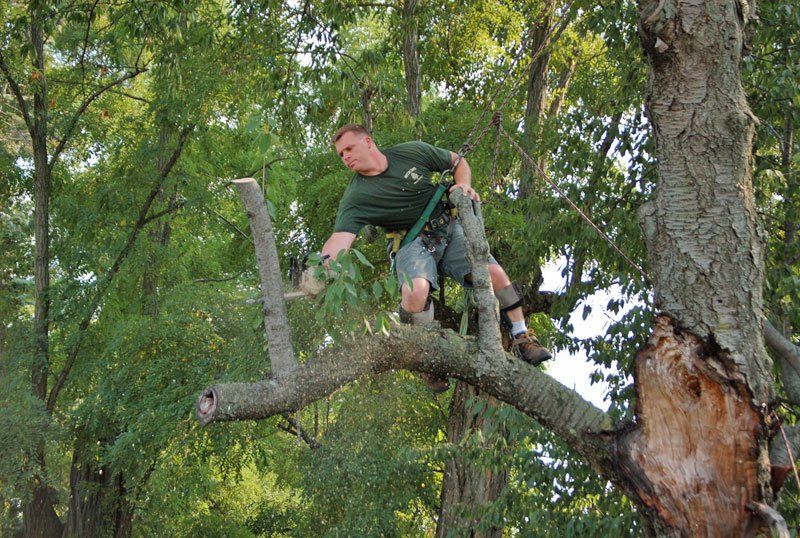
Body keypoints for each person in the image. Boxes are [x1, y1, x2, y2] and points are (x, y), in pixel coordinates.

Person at [313, 124, 551, 392]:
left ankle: (522, 337)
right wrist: (321, 268)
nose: (345, 157)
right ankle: (425, 359)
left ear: (368, 142)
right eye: (340, 154)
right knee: (416, 291)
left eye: (349, 149)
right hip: (412, 242)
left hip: (447, 229)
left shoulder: (411, 152)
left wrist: (463, 185)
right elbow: (339, 241)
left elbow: (457, 161)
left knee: (495, 274)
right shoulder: (357, 196)